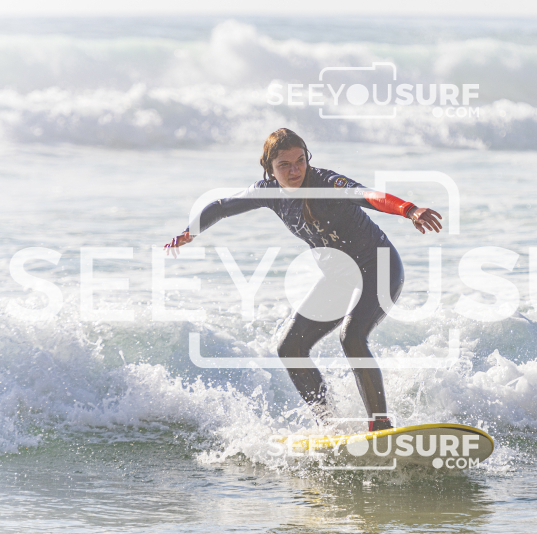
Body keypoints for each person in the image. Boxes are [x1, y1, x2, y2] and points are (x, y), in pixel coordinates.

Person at [165, 128, 442, 432]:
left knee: (352, 336)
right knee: (290, 347)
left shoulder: (327, 183)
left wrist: (409, 210)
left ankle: (381, 425)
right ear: (270, 169)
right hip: (339, 276)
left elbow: (367, 195)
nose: (295, 170)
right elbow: (222, 206)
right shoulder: (269, 192)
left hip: (379, 266)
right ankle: (329, 426)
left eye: (300, 161)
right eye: (284, 165)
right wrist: (190, 232)